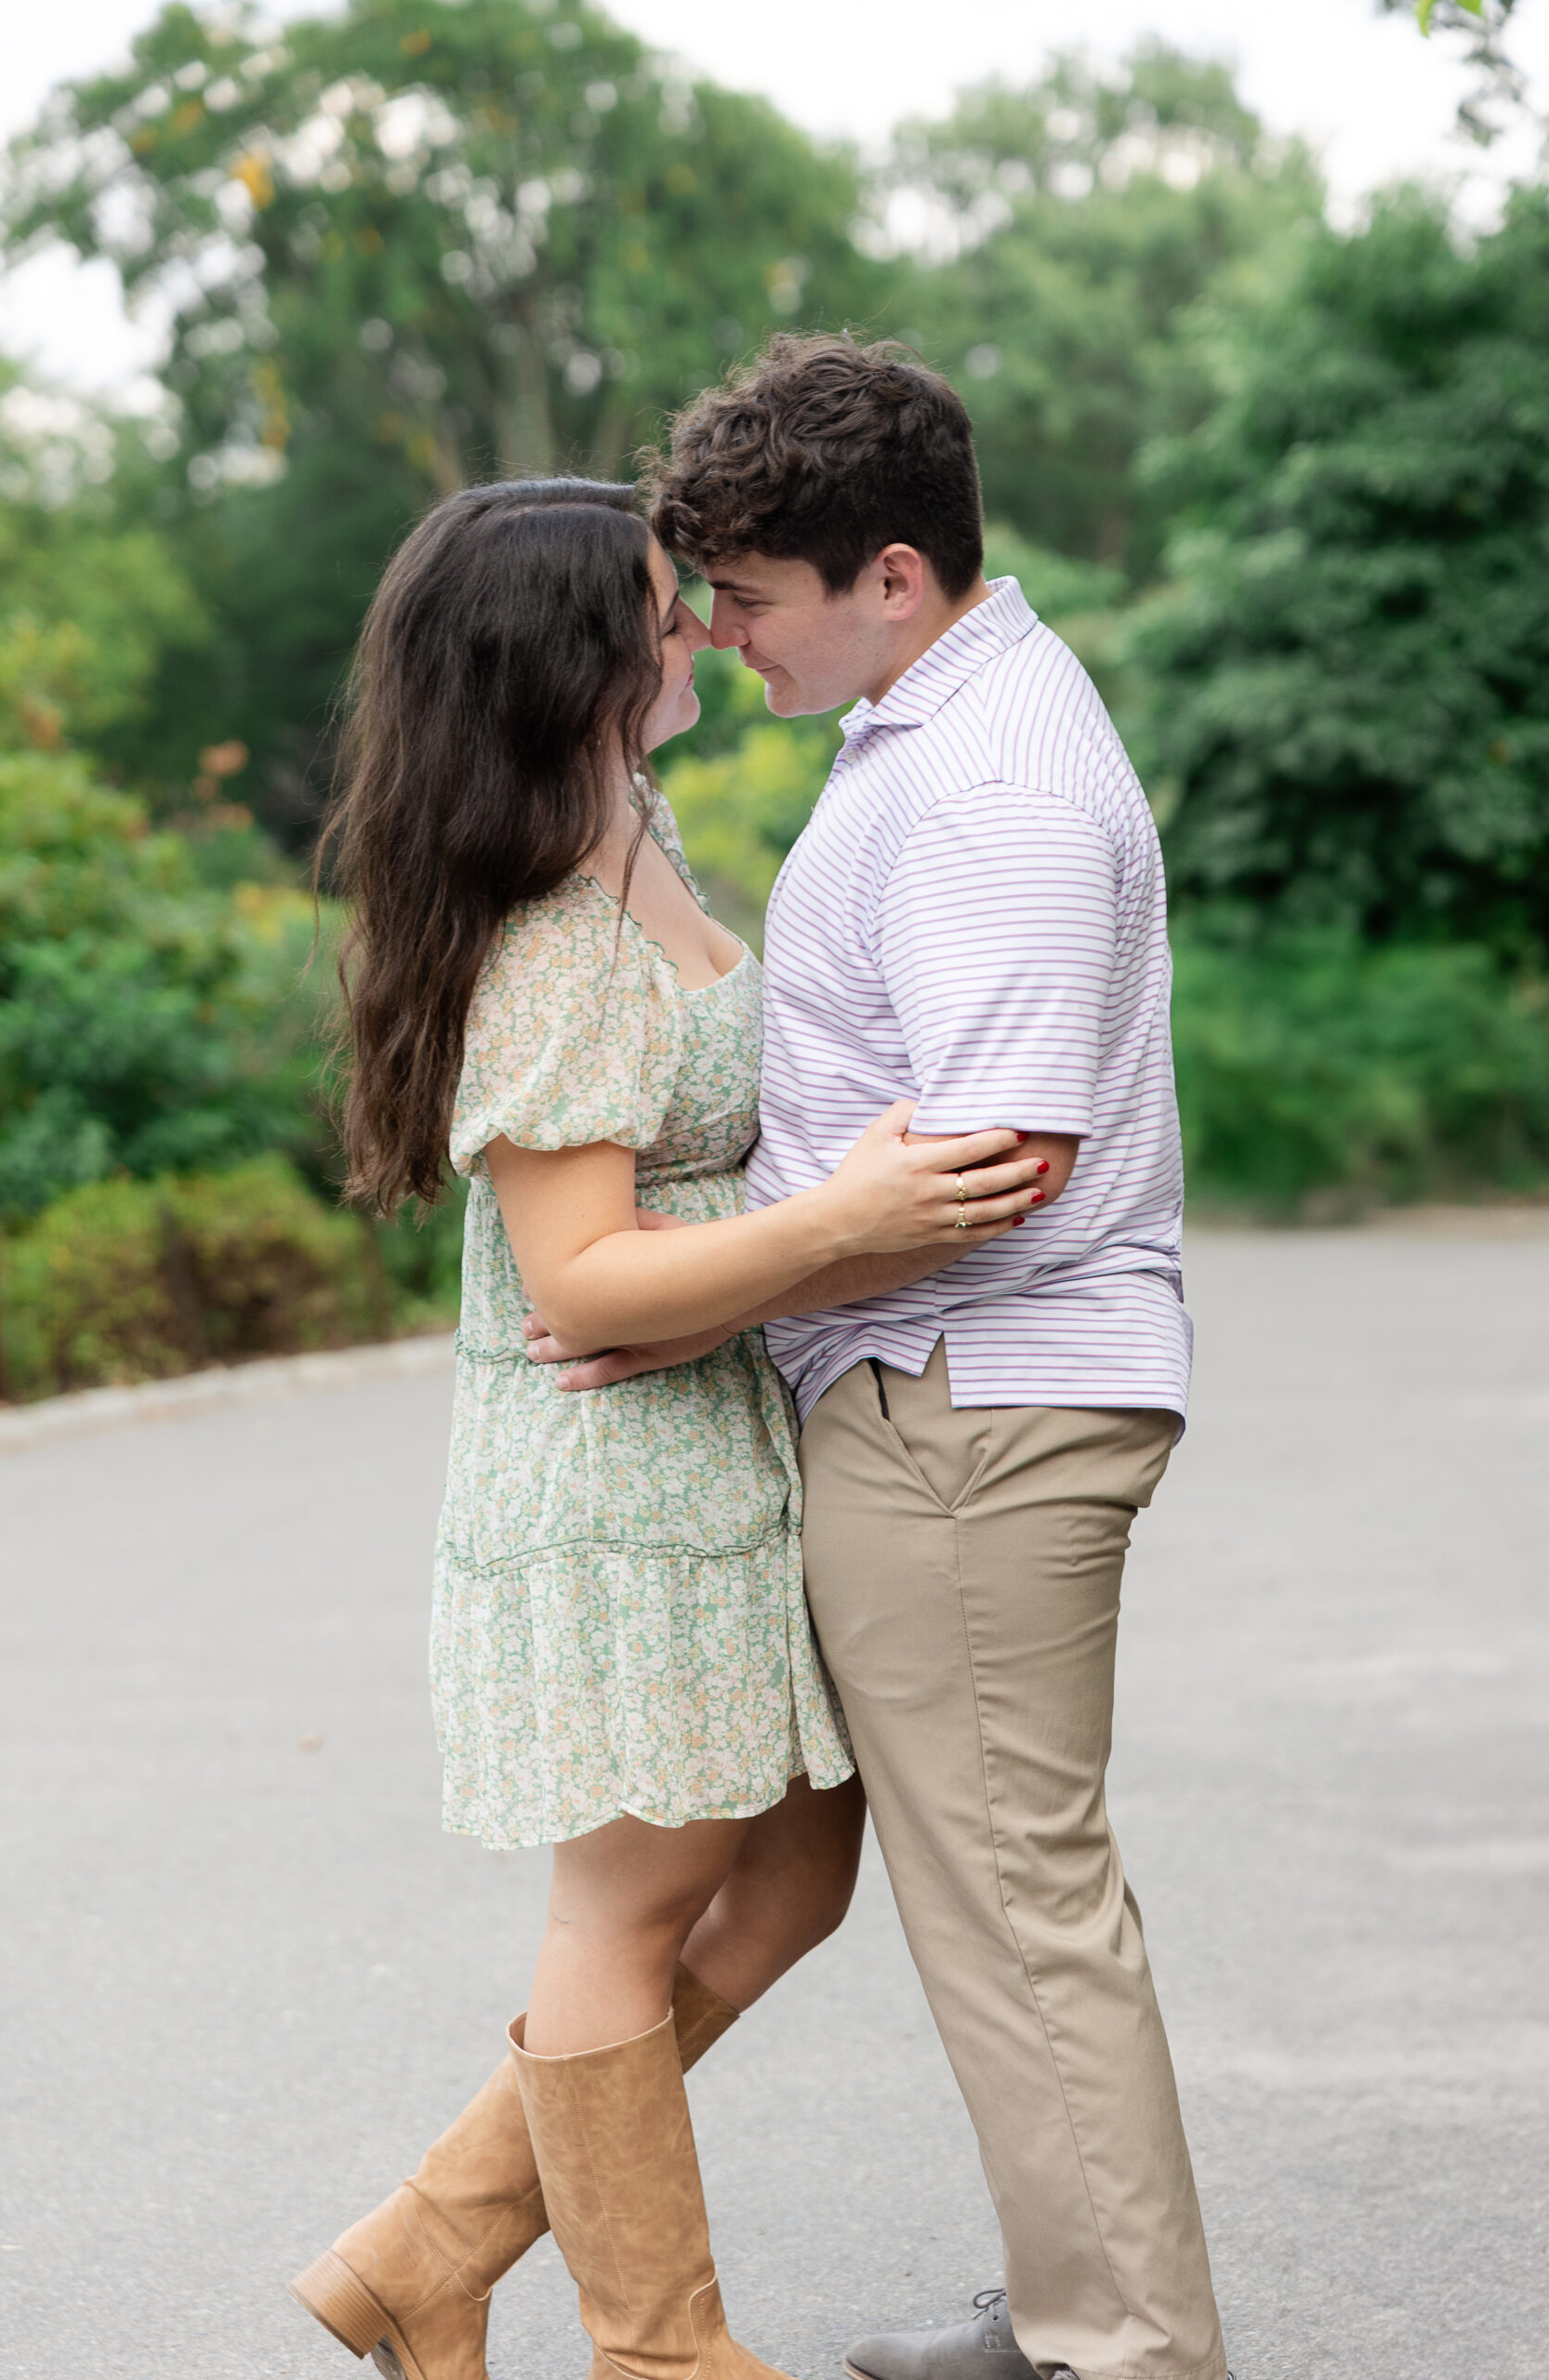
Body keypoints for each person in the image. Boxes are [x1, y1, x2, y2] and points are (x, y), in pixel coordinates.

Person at [287, 476, 1048, 2380]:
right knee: (626, 1898)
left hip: (714, 1447)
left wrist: (792, 1235)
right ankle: (657, 2343)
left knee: (791, 1868)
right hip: (615, 1474)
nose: (699, 628)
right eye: (661, 608)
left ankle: (425, 2248)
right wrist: (844, 1223)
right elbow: (582, 1277)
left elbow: (674, 1209)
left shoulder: (633, 830)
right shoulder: (546, 927)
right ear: (571, 662)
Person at [536, 337, 1232, 2380]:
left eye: (746, 597)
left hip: (969, 1400)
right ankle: (1071, 2303)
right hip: (952, 1391)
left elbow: (1003, 1151)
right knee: (990, 1904)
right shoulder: (939, 719)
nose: (720, 634)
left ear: (894, 574)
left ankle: (1121, 2347)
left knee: (1018, 1914)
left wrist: (696, 1283)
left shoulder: (989, 776)